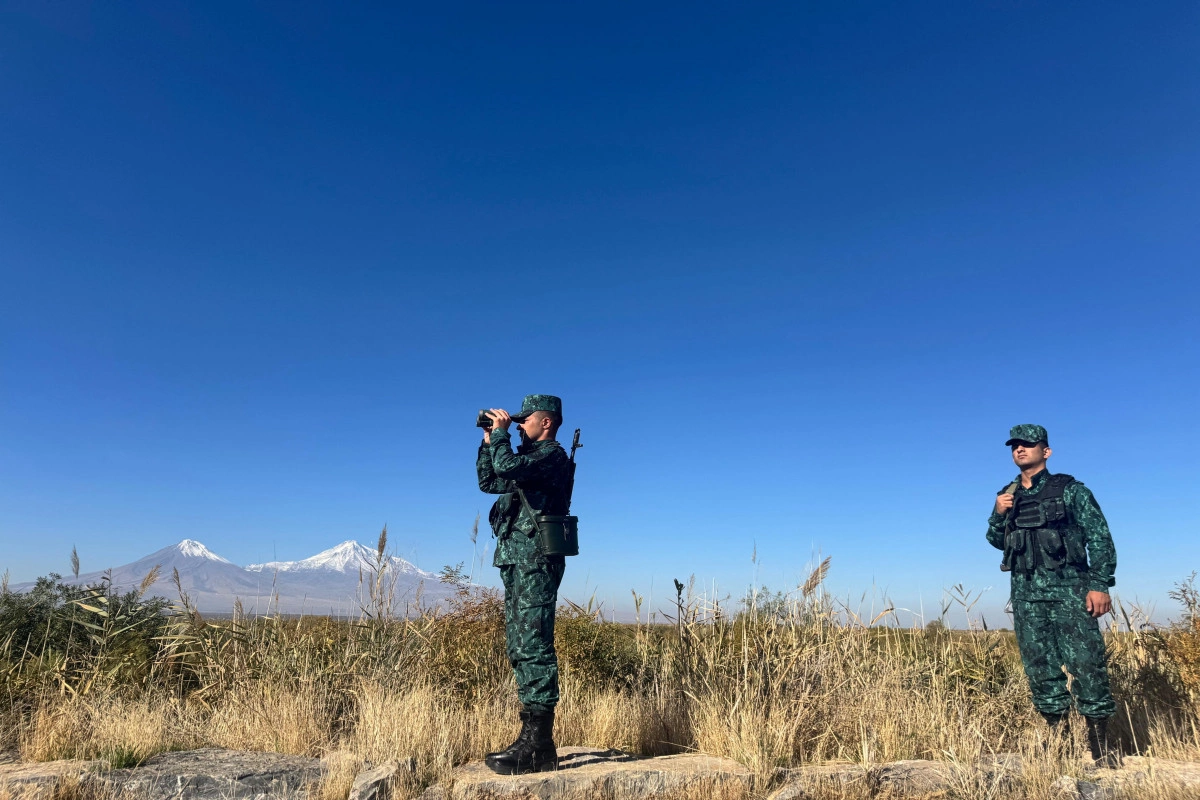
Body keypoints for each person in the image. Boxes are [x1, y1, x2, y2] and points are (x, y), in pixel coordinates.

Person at [987, 424, 1118, 764]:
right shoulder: (1008, 494)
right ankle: (1059, 742)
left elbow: (1099, 536)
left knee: (1087, 663)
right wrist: (999, 515)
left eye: (1028, 445)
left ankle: (1101, 746)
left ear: (1045, 451)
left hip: (1070, 590)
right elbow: (998, 541)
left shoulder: (1071, 491)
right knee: (1040, 667)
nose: (1020, 449)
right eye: (1015, 445)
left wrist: (1099, 584)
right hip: (1026, 595)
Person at [476, 394, 573, 775]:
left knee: (534, 644)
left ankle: (539, 744)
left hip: (537, 560)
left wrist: (500, 437)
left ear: (546, 422)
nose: (517, 426)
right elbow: (489, 480)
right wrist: (488, 442)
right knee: (519, 644)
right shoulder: (527, 463)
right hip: (517, 560)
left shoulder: (551, 457)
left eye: (523, 420)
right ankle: (531, 740)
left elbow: (508, 465)